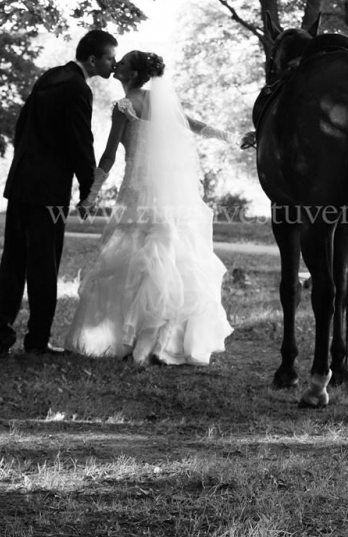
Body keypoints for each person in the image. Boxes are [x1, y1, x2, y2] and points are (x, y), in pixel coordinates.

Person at [64, 50, 235, 365]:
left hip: (138, 191)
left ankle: (140, 345)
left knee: (140, 259)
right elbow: (197, 126)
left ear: (131, 73)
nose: (117, 65)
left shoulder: (125, 105)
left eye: (123, 62)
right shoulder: (165, 104)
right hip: (168, 193)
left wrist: (91, 195)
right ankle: (161, 343)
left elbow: (109, 156)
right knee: (170, 256)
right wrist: (231, 138)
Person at [0, 30, 118, 357]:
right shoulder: (78, 88)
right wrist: (90, 190)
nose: (113, 64)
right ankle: (36, 342)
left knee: (13, 261)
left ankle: (1, 338)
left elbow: (22, 126)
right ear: (93, 59)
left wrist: (25, 163)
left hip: (20, 182)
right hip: (48, 190)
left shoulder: (50, 77)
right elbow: (80, 142)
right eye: (109, 58)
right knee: (44, 263)